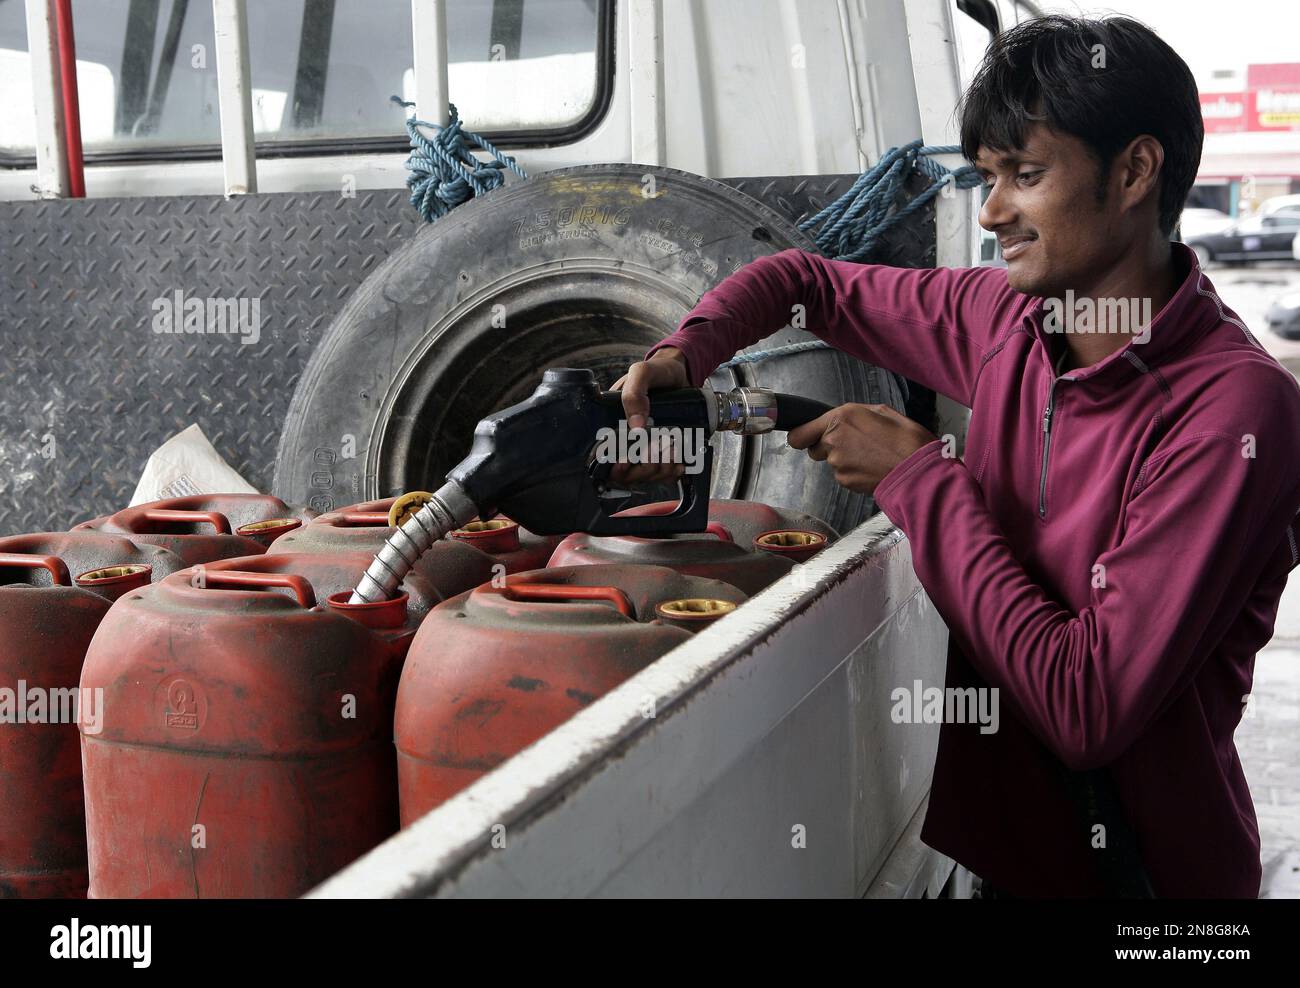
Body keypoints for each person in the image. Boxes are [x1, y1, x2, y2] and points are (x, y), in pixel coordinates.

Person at [611, 14, 1300, 897]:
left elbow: (1085, 707)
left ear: (1134, 171)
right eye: (987, 176)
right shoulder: (1006, 321)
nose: (994, 211)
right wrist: (685, 354)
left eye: (1026, 174)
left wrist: (918, 480)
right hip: (1010, 860)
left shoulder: (1233, 411)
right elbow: (804, 281)